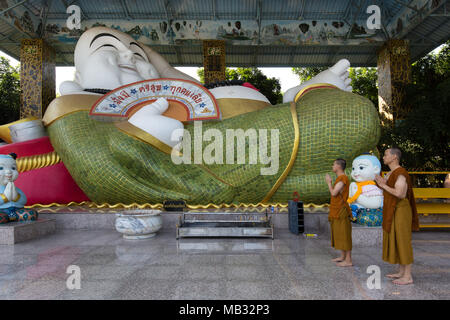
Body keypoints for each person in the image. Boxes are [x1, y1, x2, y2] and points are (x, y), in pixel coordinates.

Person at [374, 147, 419, 285]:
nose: (383, 157)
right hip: (393, 209)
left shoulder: (401, 173)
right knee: (396, 239)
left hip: (401, 210)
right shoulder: (391, 173)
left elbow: (400, 193)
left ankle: (408, 276)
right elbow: (389, 191)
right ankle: (401, 271)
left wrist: (383, 185)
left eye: (386, 154)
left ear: (394, 157)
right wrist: (382, 183)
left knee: (403, 240)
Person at [325, 158, 352, 267]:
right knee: (339, 233)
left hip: (341, 210)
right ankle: (342, 256)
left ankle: (348, 260)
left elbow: (334, 193)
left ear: (338, 166)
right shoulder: (340, 178)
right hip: (337, 209)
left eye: (333, 164)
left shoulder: (342, 179)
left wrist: (329, 183)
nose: (332, 166)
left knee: (344, 234)